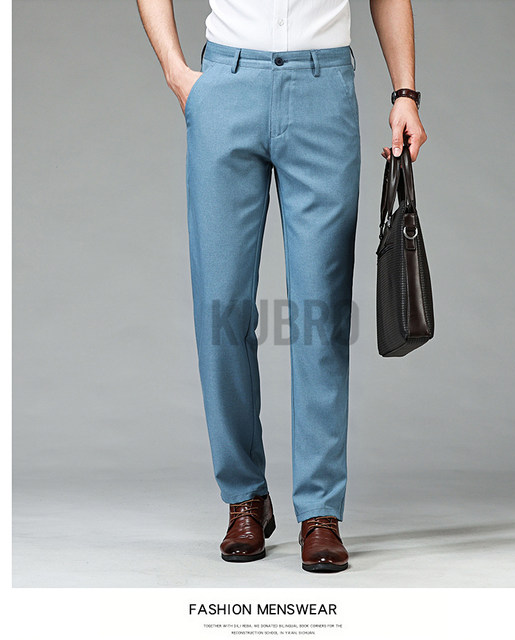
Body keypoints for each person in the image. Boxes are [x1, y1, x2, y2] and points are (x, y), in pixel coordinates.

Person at [136, 0, 427, 573]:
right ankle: (244, 497)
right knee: (221, 310)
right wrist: (176, 71)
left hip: (323, 91)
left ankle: (320, 513)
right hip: (227, 85)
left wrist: (405, 93)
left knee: (322, 313)